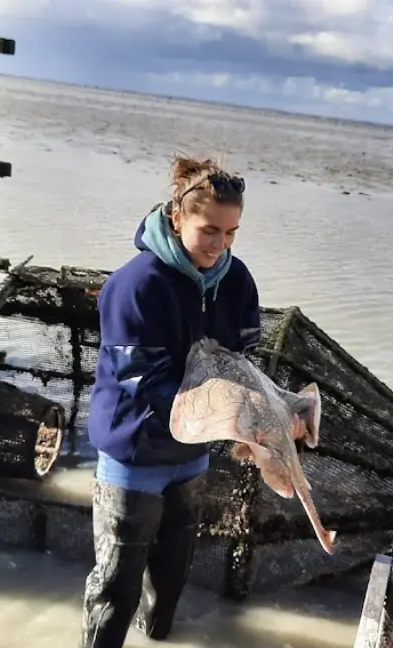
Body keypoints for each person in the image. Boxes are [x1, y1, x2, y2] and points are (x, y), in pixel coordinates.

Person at [80, 156, 262, 647]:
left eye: (231, 233)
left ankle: (157, 637)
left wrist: (262, 417)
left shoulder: (237, 280)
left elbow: (243, 358)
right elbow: (143, 380)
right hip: (134, 449)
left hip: (191, 454)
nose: (219, 245)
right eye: (209, 230)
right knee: (116, 585)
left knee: (171, 574)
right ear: (177, 217)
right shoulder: (134, 285)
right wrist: (227, 415)